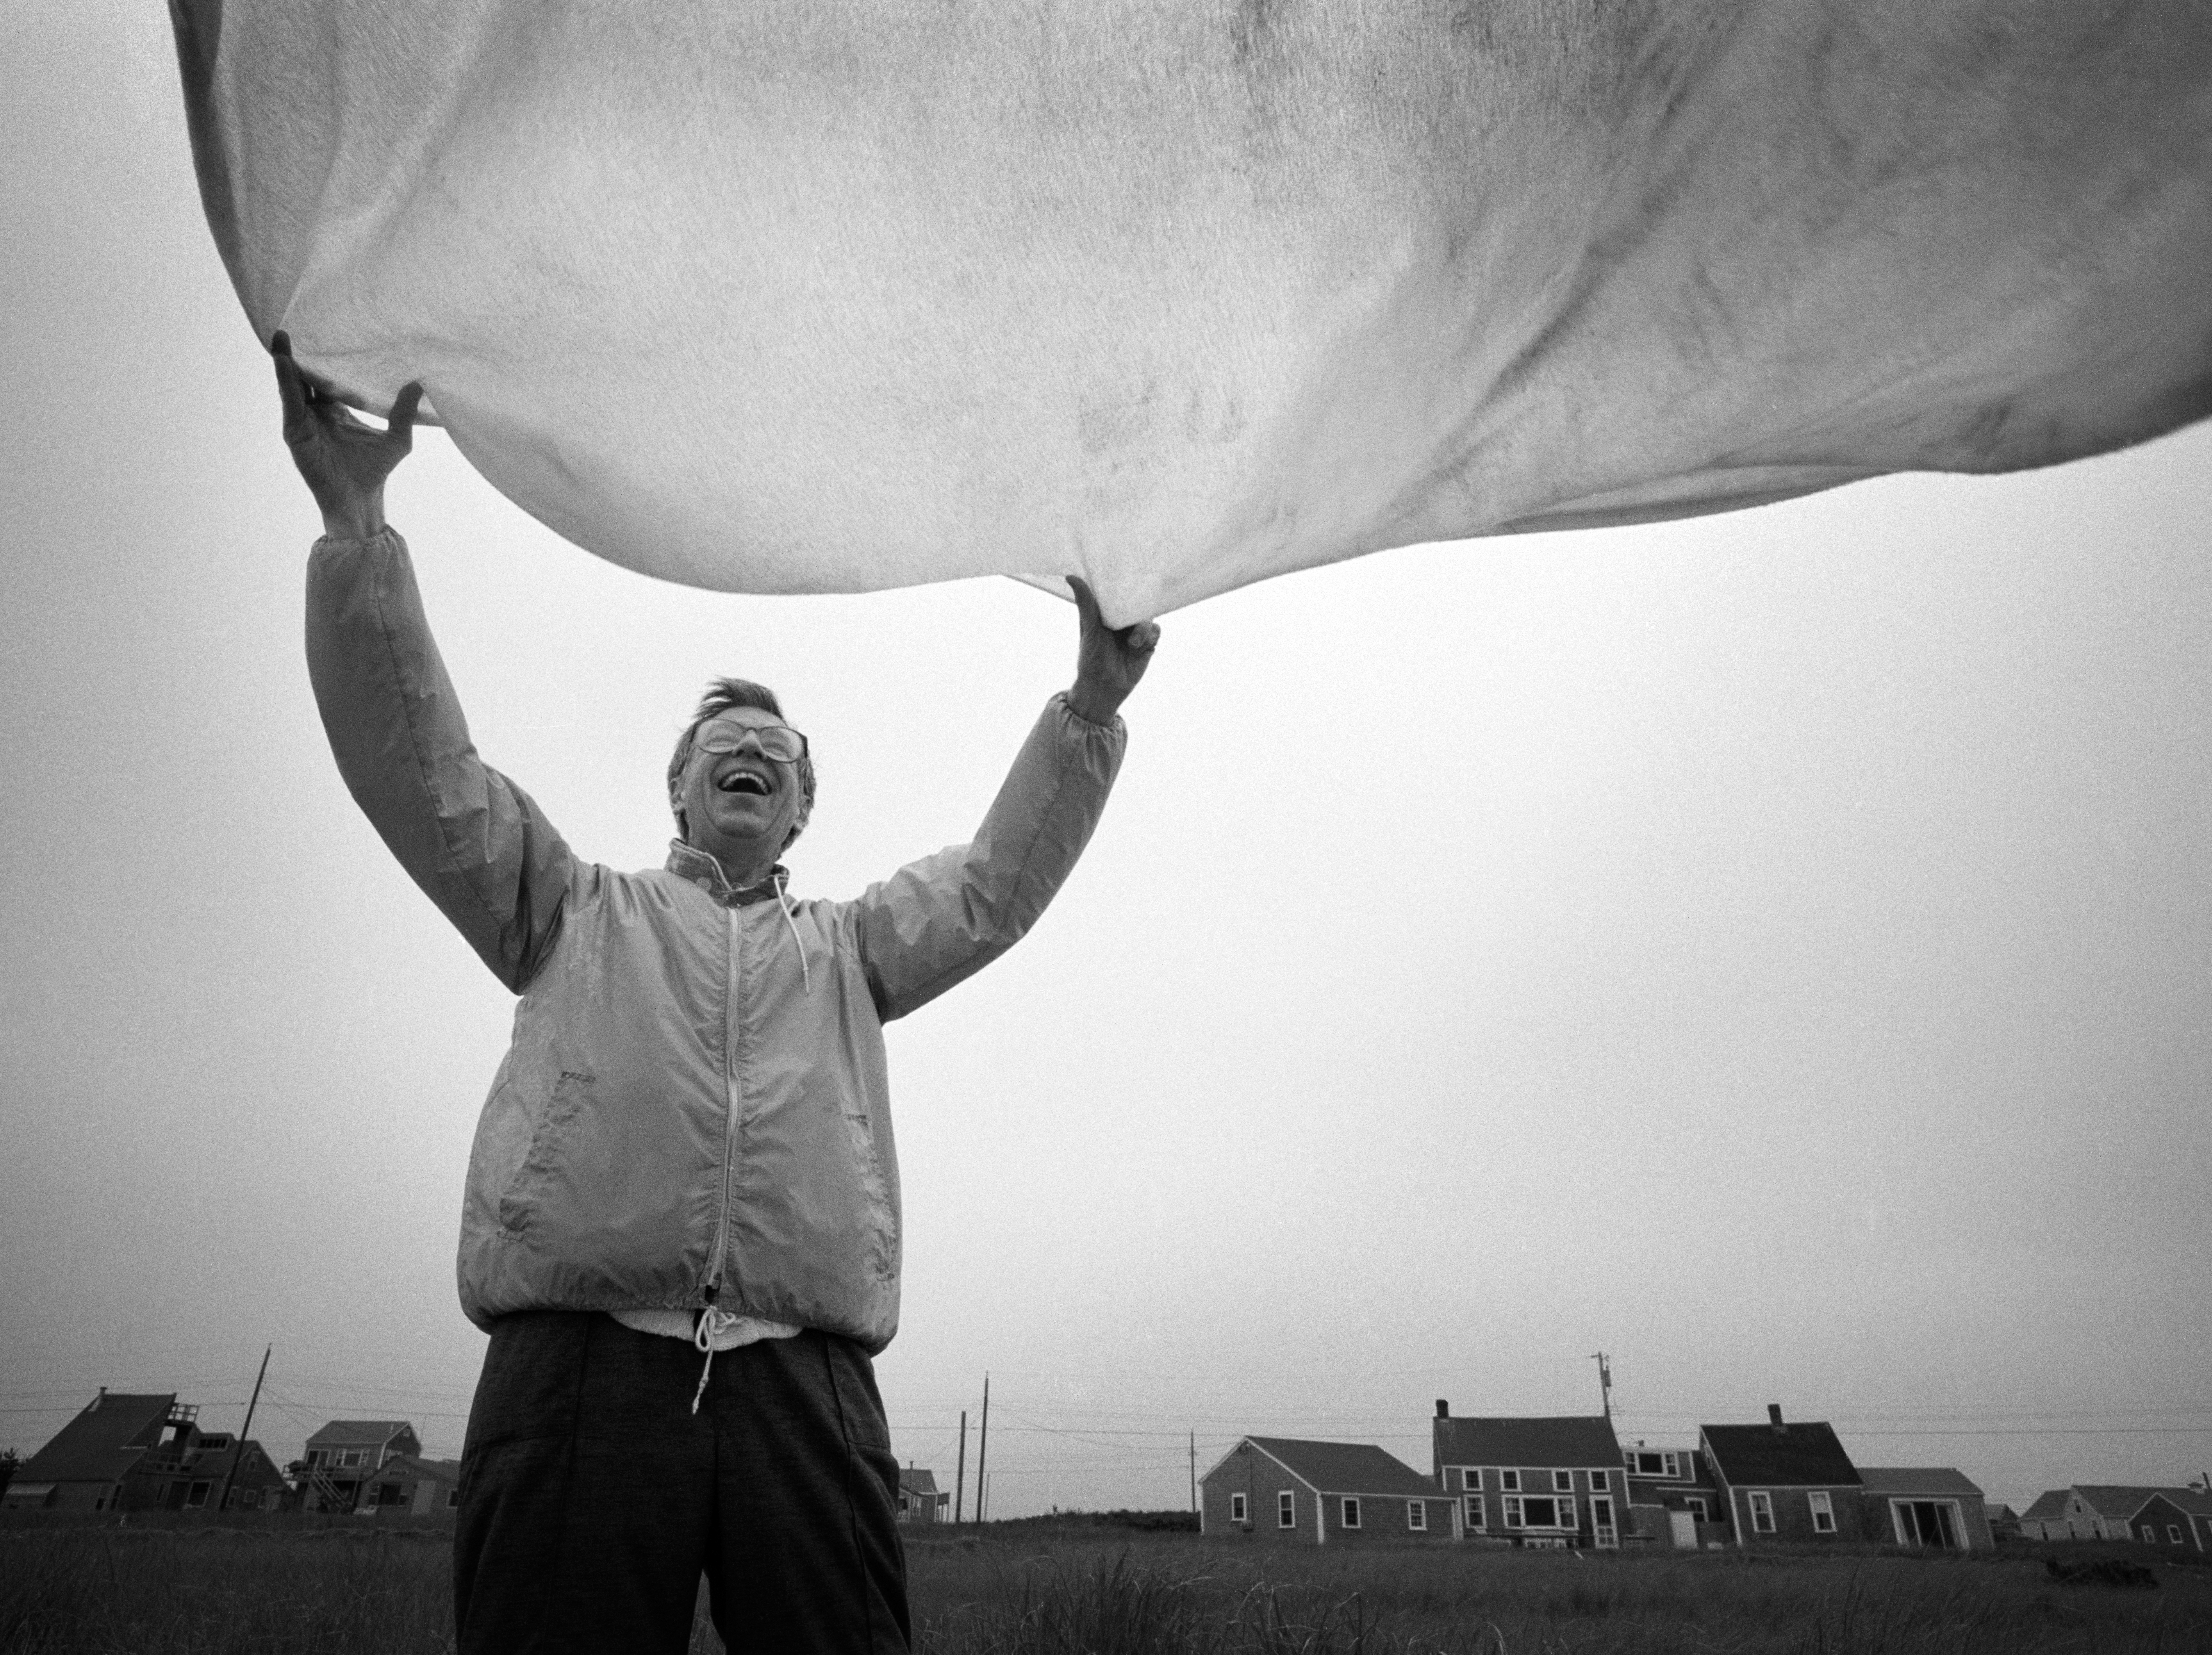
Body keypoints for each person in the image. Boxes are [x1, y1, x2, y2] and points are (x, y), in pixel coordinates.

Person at [272, 335, 1158, 1653]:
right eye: (720, 751)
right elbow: (423, 772)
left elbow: (990, 887)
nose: (748, 758)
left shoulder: (854, 949)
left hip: (806, 1383)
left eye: (775, 759)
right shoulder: (570, 908)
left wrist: (1091, 703)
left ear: (799, 810)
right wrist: (359, 528)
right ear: (679, 791)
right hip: (579, 1376)